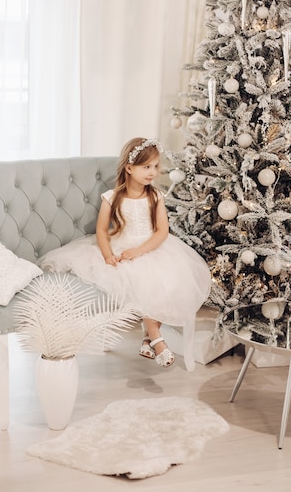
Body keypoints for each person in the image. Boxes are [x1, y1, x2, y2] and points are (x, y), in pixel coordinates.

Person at [39, 137, 211, 370]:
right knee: (141, 279)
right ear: (129, 168)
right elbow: (101, 231)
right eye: (146, 167)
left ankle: (152, 337)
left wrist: (140, 251)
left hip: (151, 248)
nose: (152, 172)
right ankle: (153, 338)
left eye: (155, 166)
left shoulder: (155, 196)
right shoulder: (112, 197)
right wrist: (109, 254)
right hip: (122, 247)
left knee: (163, 279)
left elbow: (162, 232)